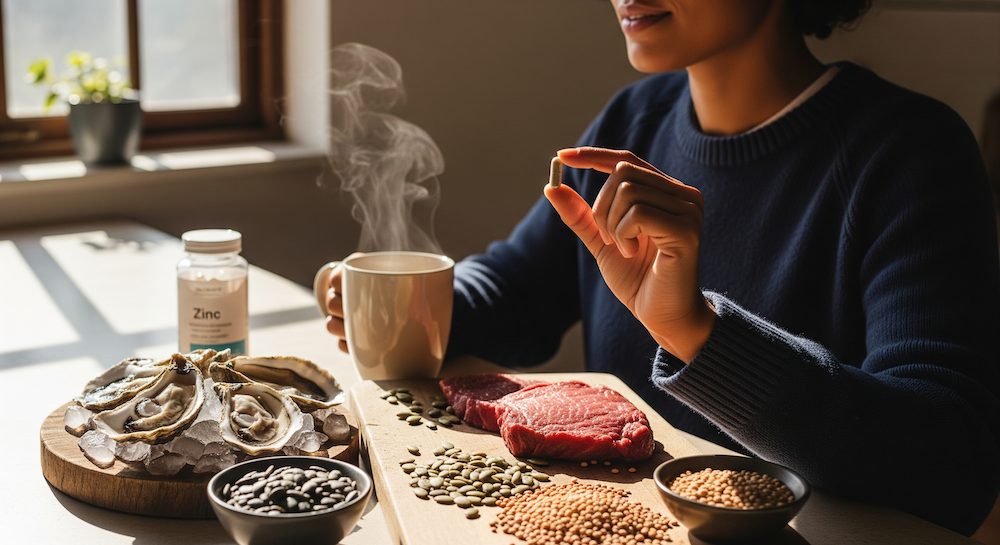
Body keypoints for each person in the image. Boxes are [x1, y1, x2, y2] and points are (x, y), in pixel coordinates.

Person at [322, 0, 1000, 535]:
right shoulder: (633, 121)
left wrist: (697, 331)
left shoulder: (910, 153)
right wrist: (405, 298)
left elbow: (954, 466)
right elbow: (517, 291)